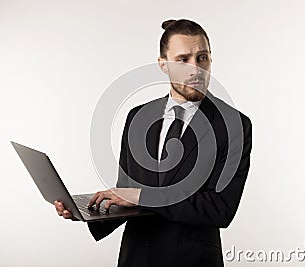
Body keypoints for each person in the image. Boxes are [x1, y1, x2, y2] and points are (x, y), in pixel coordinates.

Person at [55, 19, 252, 267]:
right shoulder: (137, 117)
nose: (196, 69)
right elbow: (127, 194)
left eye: (202, 57)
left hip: (192, 260)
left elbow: (219, 208)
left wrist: (141, 195)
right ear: (163, 65)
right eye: (183, 60)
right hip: (136, 257)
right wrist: (86, 213)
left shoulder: (234, 125)